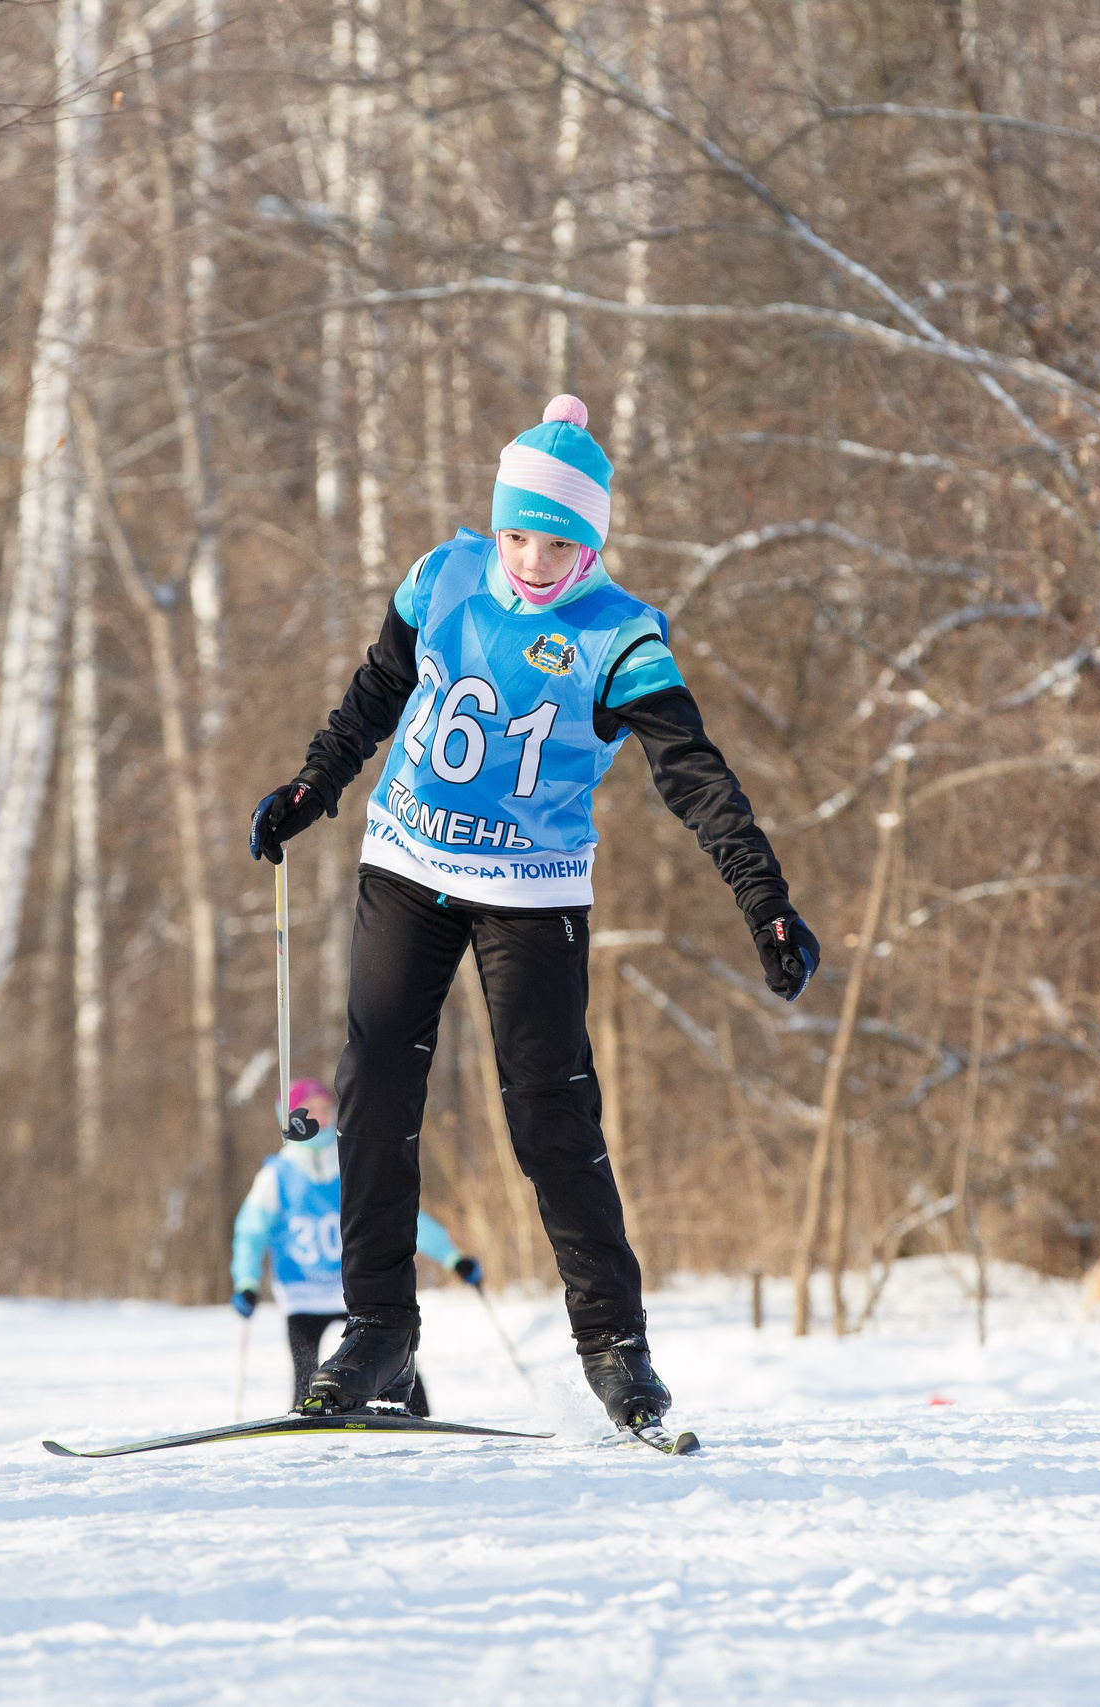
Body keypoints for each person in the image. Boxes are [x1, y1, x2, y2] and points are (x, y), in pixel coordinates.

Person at [248, 395, 819, 1435]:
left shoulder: (619, 637)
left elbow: (694, 775)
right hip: (407, 859)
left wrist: (764, 901)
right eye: (516, 534)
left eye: (556, 542)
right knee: (375, 1088)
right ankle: (377, 1330)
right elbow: (376, 693)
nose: (531, 559)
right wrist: (312, 786)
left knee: (550, 1118)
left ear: (590, 540)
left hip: (533, 890)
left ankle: (615, 1350)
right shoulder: (443, 577)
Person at [229, 1078, 483, 1416]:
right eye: (311, 1111)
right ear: (290, 1118)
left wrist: (452, 1257)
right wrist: (245, 1282)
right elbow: (250, 1232)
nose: (322, 1116)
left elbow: (399, 1218)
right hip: (301, 1293)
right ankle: (308, 1420)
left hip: (353, 1287)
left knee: (391, 1354)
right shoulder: (276, 1176)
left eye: (326, 1109)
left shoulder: (350, 1164)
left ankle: (419, 1415)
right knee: (305, 1371)